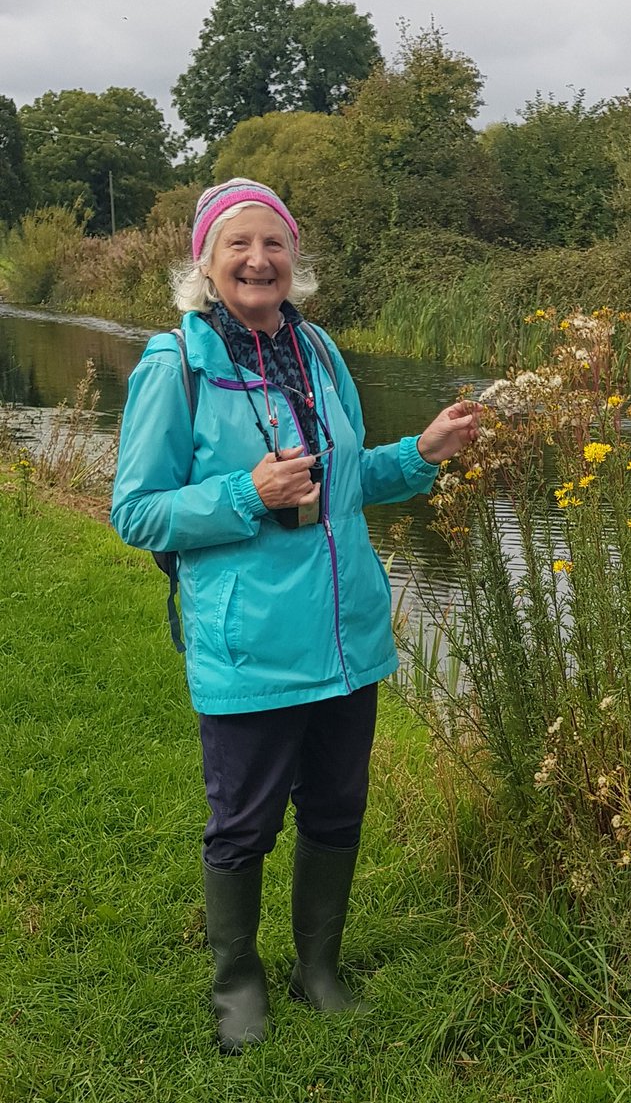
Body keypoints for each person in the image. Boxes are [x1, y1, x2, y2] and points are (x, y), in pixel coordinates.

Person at [110, 178, 478, 1053]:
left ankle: (319, 965)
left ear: (293, 262)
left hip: (349, 641)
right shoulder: (175, 366)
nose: (257, 260)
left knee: (337, 809)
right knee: (243, 821)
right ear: (204, 262)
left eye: (272, 244)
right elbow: (137, 511)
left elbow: (342, 483)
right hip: (250, 645)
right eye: (236, 244)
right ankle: (237, 980)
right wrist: (247, 492)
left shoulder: (319, 353)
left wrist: (420, 454)